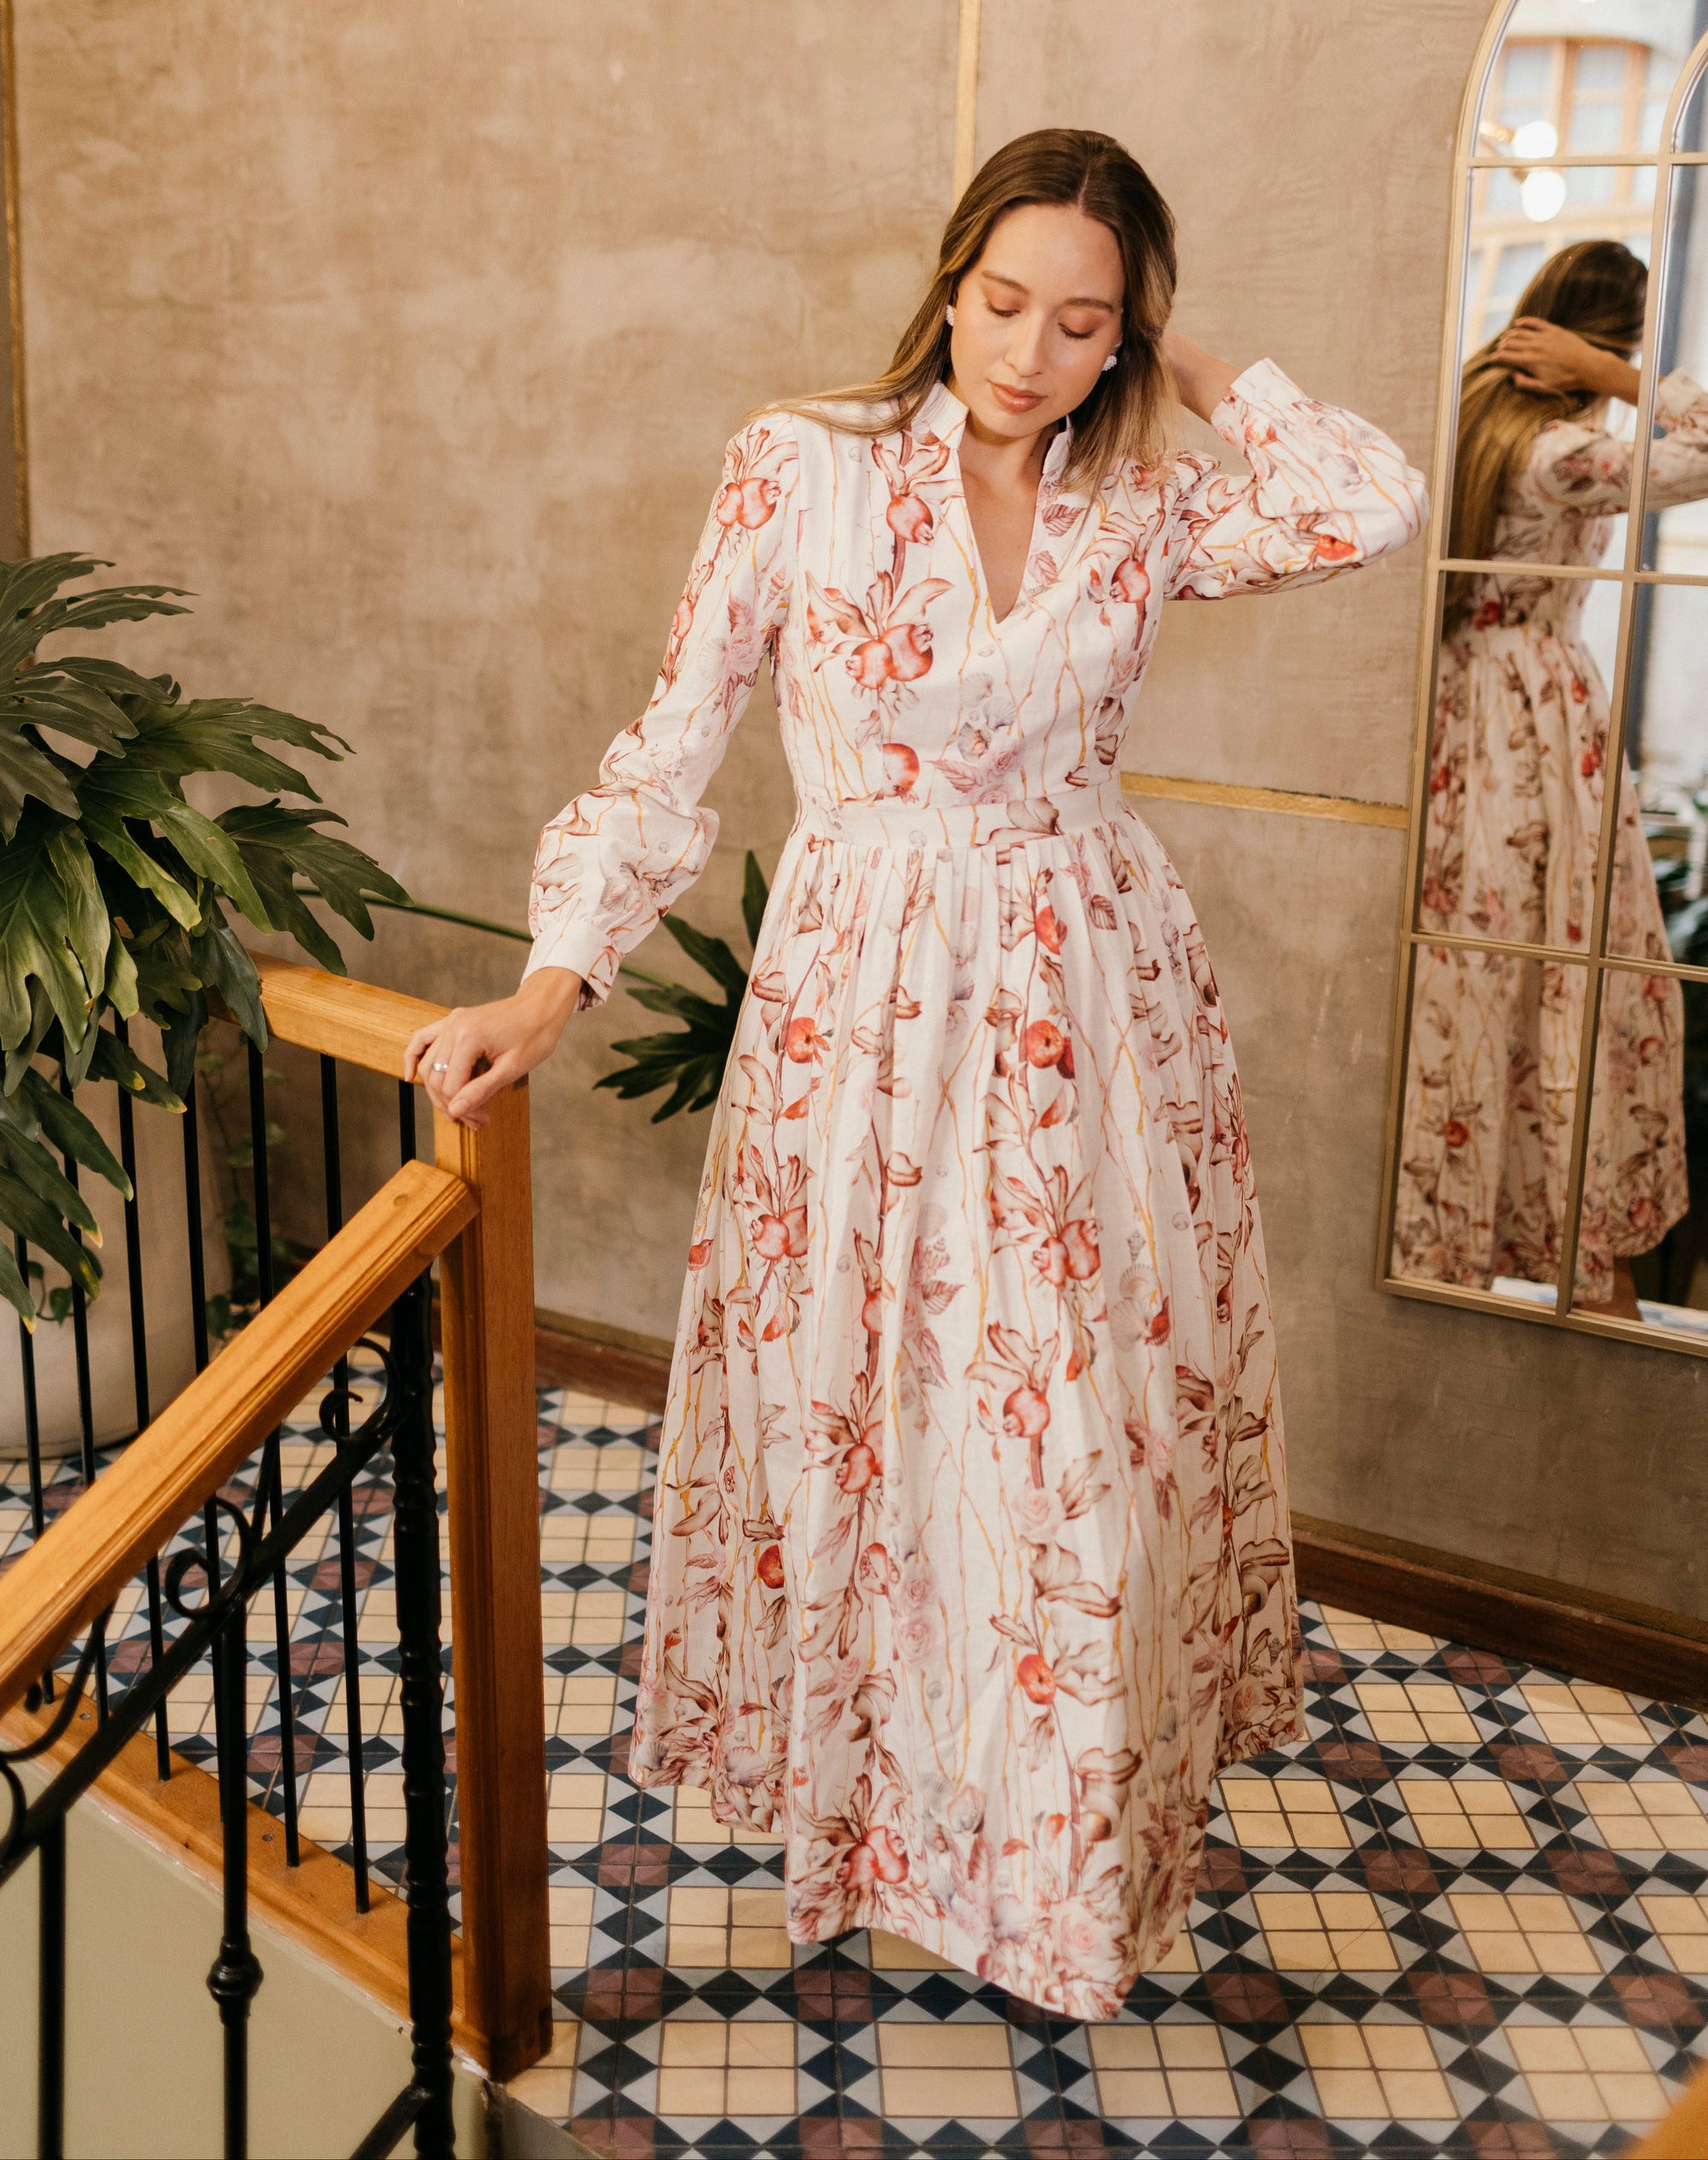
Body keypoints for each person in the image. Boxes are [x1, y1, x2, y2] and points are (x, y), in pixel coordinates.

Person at [407, 128, 1427, 2018]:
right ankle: (889, 1827)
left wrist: (1200, 370)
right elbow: (671, 740)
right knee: (880, 1423)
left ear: (1128, 336)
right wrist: (551, 986)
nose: (1030, 353)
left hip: (1090, 1000)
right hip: (862, 1002)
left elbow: (1368, 502)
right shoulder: (800, 464)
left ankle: (1053, 1870)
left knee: (1071, 1440)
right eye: (1003, 301)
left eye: (1085, 323)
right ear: (950, 282)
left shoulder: (1141, 503)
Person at [1393, 241, 1700, 1310]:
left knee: (1478, 978)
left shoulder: (1475, 423)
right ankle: (1554, 1236)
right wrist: (1618, 377)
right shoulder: (1558, 453)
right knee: (1555, 971)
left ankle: (1467, 1232)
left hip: (1458, 715)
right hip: (1528, 726)